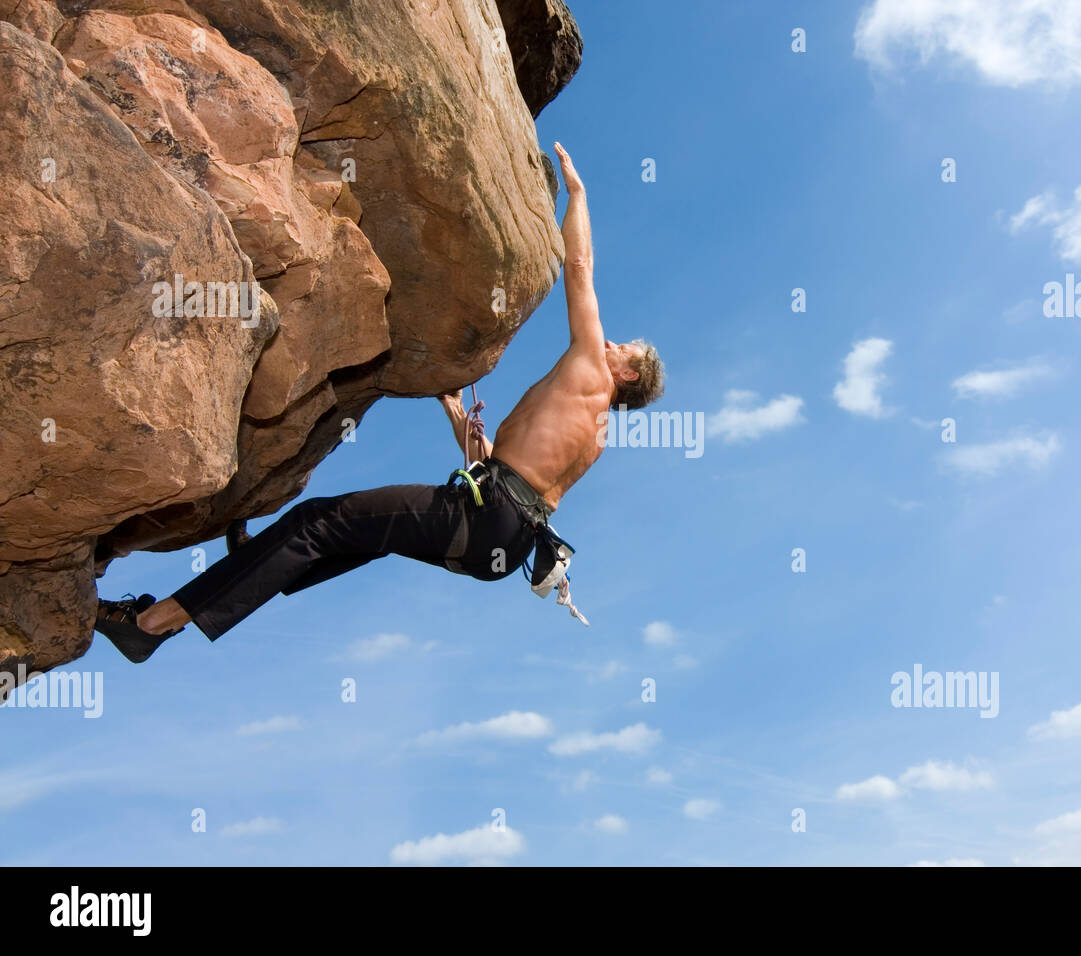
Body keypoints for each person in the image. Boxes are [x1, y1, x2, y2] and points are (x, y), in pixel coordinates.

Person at [94, 142, 665, 663]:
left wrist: (579, 194)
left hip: (481, 518)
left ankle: (152, 623)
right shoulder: (597, 437)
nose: (612, 342)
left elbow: (580, 270)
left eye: (624, 347)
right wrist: (460, 423)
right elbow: (519, 481)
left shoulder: (593, 367)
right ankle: (259, 562)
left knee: (319, 522)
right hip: (504, 546)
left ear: (628, 372)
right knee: (362, 535)